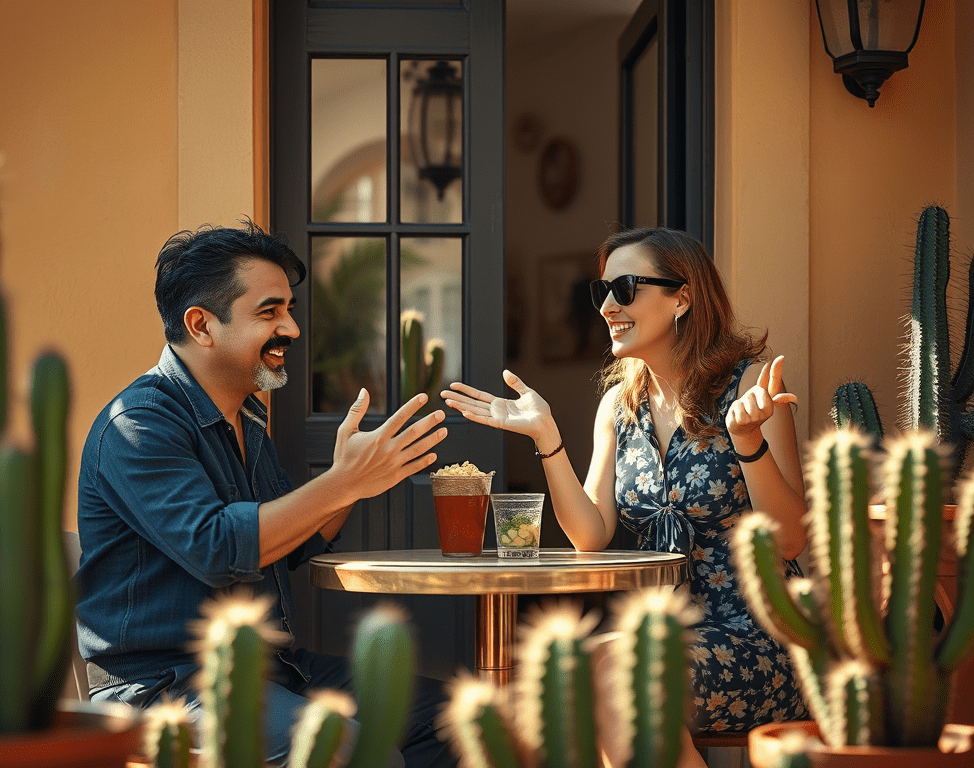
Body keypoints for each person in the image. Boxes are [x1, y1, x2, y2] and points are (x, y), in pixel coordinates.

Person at [75, 221, 453, 768]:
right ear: (202, 325)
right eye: (269, 312)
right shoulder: (137, 424)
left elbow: (296, 545)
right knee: (351, 753)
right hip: (165, 689)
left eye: (290, 309)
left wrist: (358, 478)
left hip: (274, 670)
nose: (292, 328)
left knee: (448, 720)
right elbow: (218, 548)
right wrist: (343, 480)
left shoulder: (245, 418)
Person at [442, 226, 809, 768]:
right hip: (664, 634)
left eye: (626, 288)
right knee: (573, 673)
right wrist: (548, 438)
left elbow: (793, 539)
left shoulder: (751, 389)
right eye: (601, 292)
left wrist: (749, 442)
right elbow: (591, 535)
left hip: (766, 636)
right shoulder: (620, 404)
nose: (608, 306)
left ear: (683, 296)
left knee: (617, 676)